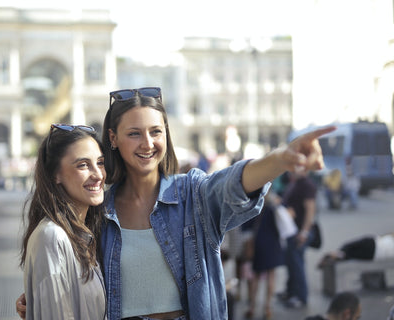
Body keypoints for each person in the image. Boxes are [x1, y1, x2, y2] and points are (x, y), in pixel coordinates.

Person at [17, 87, 335, 320]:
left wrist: (280, 159)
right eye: (134, 133)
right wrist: (46, 298)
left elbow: (233, 184)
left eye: (156, 131)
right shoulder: (99, 207)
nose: (148, 143)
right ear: (112, 138)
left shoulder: (191, 194)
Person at [19, 124, 107, 320]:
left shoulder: (86, 233)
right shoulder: (52, 237)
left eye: (100, 163)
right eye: (83, 165)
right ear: (55, 175)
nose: (98, 174)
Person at [279, 169, 318, 309]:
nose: (292, 170)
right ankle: (290, 292)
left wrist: (304, 233)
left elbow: (310, 210)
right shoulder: (295, 183)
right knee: (291, 263)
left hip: (299, 232)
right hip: (291, 231)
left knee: (297, 265)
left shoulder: (307, 185)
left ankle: (301, 297)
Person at [244, 193, 285, 319]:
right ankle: (267, 308)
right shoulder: (274, 204)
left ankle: (252, 306)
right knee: (271, 275)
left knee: (256, 275)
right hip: (273, 242)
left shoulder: (252, 202)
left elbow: (246, 226)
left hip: (259, 242)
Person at [317, 232, 394, 268]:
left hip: (375, 245)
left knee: (348, 250)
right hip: (375, 251)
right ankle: (334, 255)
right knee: (349, 253)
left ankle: (333, 255)